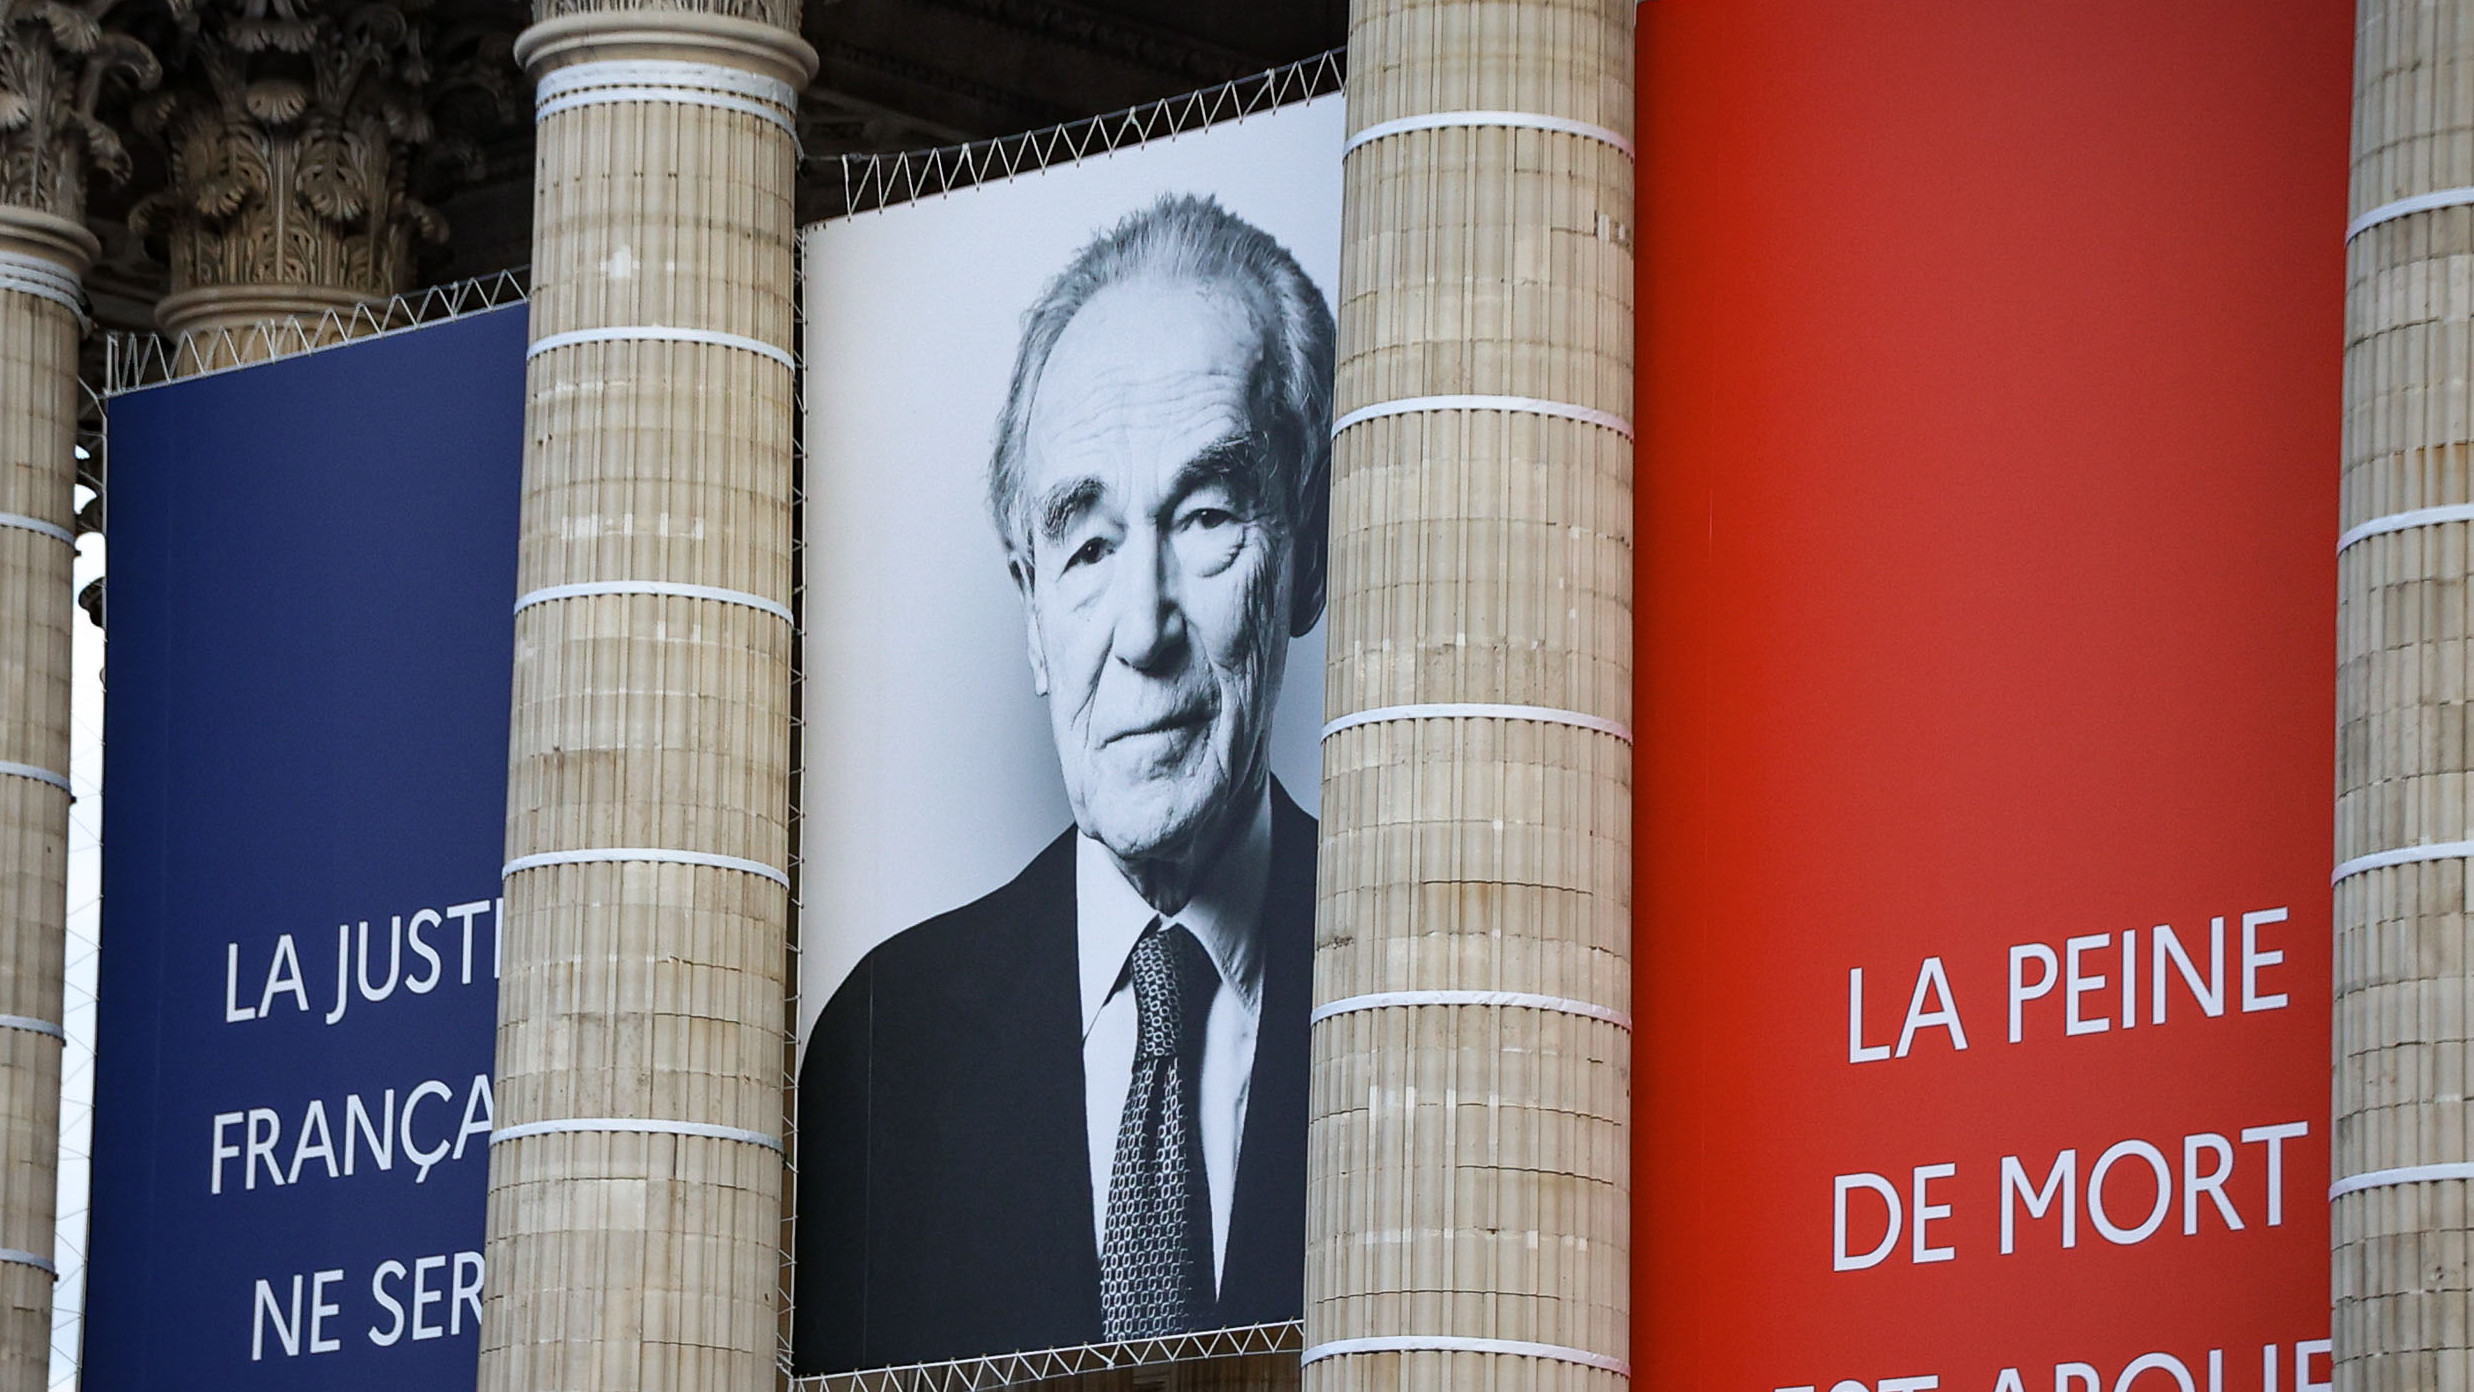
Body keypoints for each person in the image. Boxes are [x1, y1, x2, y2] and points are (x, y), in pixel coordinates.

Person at [792, 193, 1334, 1375]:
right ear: (1033, 614)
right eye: (1087, 547)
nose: (1142, 631)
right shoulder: (879, 1052)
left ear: (1306, 553)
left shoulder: (1422, 992)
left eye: (1202, 517)